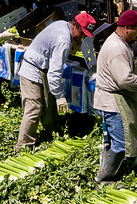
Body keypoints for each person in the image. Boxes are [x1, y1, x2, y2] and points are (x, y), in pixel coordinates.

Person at [92, 10, 137, 184]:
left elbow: (129, 68)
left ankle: (127, 165)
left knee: (130, 133)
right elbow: (124, 79)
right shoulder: (117, 48)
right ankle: (105, 180)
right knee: (120, 142)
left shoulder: (125, 42)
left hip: (122, 98)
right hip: (113, 101)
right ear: (126, 28)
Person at [15, 12, 98, 153]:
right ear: (75, 26)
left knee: (49, 105)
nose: (83, 36)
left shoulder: (61, 24)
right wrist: (60, 96)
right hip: (31, 69)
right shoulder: (64, 41)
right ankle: (23, 147)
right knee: (34, 107)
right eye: (83, 32)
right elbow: (54, 72)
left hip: (41, 67)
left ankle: (50, 132)